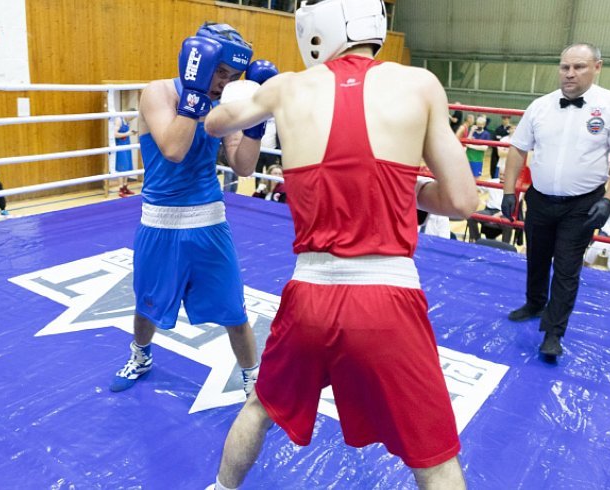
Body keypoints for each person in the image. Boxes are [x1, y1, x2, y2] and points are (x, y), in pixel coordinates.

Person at [204, 0, 478, 487]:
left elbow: (214, 125)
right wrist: (407, 188)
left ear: (316, 30)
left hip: (311, 294)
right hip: (388, 302)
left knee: (258, 409)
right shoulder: (419, 84)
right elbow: (461, 200)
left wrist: (252, 91)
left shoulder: (286, 87)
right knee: (434, 457)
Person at [108, 22, 273, 397]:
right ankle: (141, 355)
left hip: (209, 221)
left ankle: (253, 379)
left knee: (235, 310)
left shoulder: (223, 105)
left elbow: (244, 166)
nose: (222, 83)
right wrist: (195, 95)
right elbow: (173, 149)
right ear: (197, 61)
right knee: (147, 304)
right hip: (159, 222)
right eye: (218, 71)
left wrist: (255, 123)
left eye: (231, 76)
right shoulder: (157, 92)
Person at [501, 43, 610, 358]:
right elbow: (518, 148)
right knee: (535, 257)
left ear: (597, 67)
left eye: (579, 67)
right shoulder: (540, 106)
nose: (570, 73)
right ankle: (535, 302)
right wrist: (510, 190)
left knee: (566, 267)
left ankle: (553, 332)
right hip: (539, 199)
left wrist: (609, 200)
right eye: (565, 67)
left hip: (582, 204)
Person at [112, 113, 137, 197]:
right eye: (131, 117)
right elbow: (114, 134)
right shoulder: (119, 120)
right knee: (121, 167)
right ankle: (120, 188)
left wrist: (131, 133)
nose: (131, 119)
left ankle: (125, 186)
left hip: (127, 145)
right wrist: (128, 134)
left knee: (127, 167)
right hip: (120, 146)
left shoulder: (127, 121)